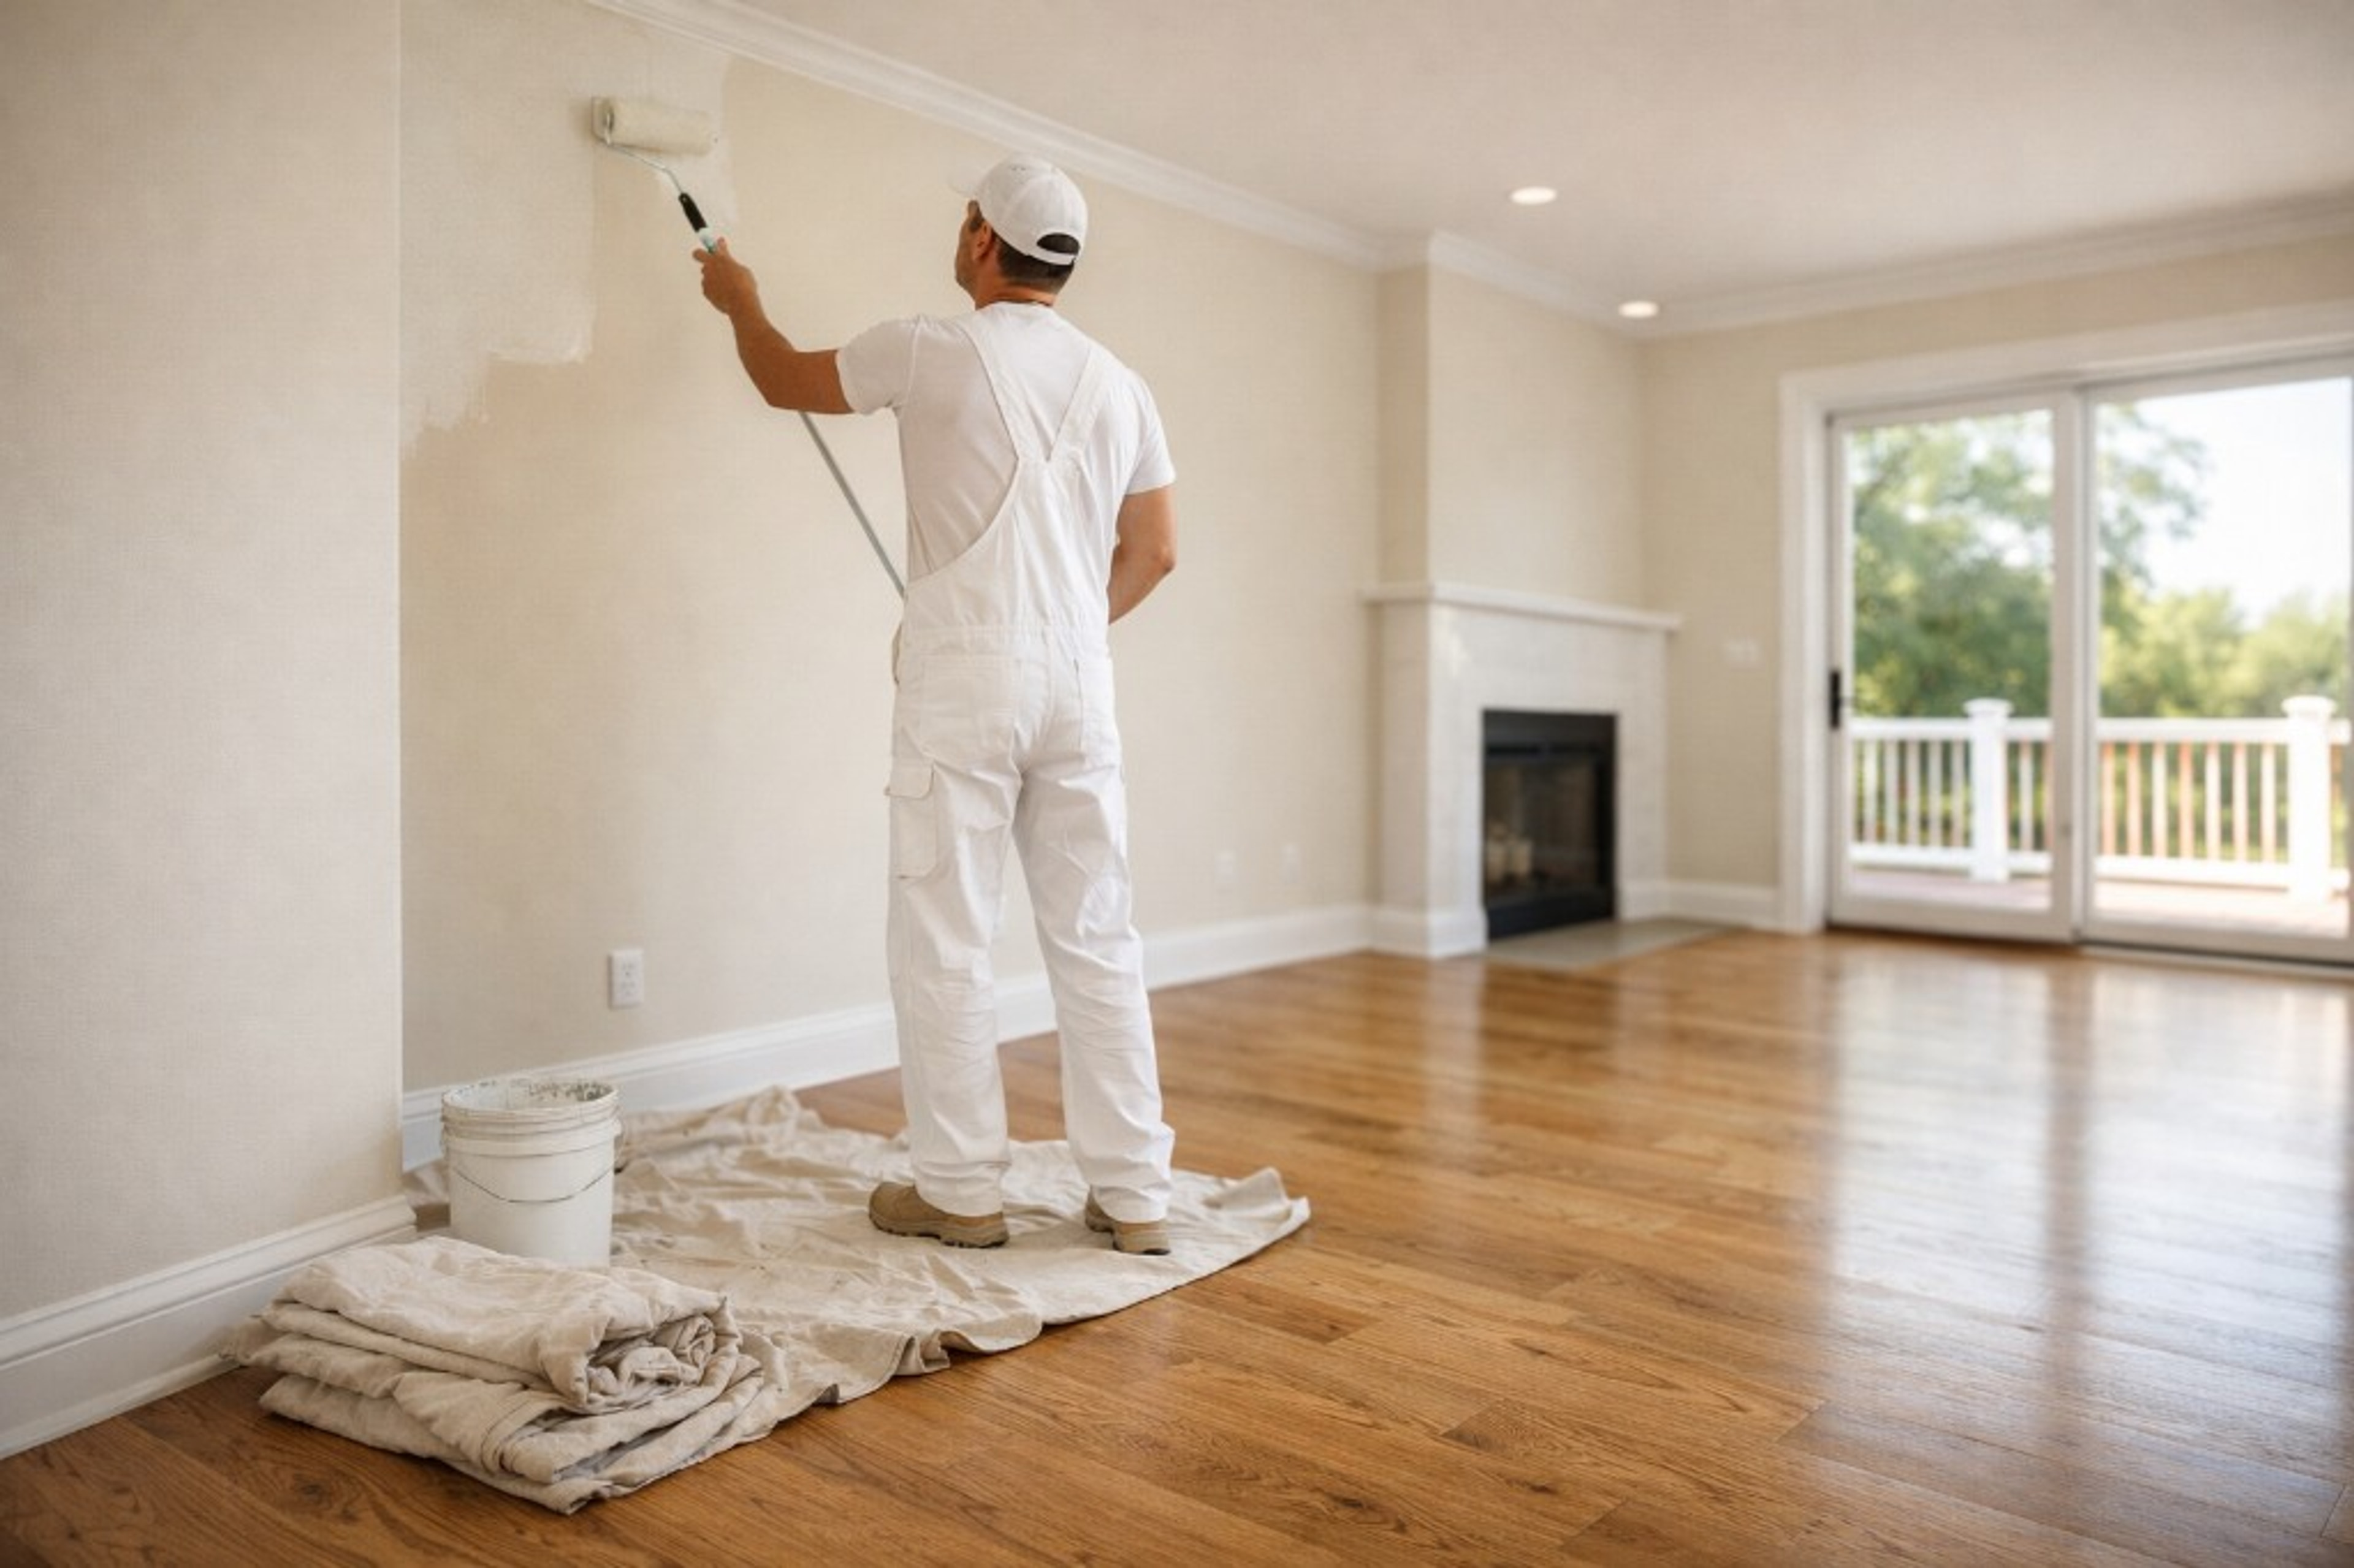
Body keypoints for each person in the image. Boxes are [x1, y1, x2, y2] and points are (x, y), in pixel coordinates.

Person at [695, 154, 1179, 1255]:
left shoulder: (927, 347)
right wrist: (1055, 637)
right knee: (1099, 934)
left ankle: (962, 1191)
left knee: (948, 930)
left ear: (977, 239)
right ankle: (1137, 1196)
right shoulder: (1122, 385)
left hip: (966, 679)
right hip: (1079, 681)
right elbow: (1154, 553)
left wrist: (742, 300)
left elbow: (782, 378)